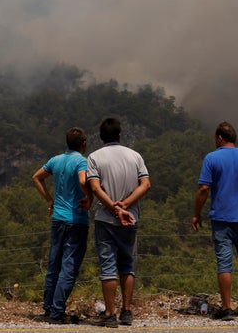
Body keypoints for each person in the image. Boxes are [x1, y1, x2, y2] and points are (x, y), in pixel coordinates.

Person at [192, 121, 238, 320]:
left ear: (219, 138)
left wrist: (196, 214)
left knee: (224, 264)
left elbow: (203, 189)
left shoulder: (211, 158)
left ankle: (227, 308)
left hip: (221, 218)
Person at [86, 117, 150, 328]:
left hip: (106, 219)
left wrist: (114, 208)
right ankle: (127, 311)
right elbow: (145, 184)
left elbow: (95, 188)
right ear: (120, 136)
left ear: (101, 137)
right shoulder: (135, 156)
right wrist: (126, 205)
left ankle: (110, 313)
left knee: (107, 266)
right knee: (127, 264)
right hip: (130, 218)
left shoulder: (95, 157)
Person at [33, 127, 92, 324]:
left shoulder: (55, 160)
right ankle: (57, 312)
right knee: (69, 266)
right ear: (83, 144)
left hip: (58, 218)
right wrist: (89, 197)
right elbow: (83, 180)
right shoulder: (81, 161)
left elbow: (36, 177)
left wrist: (49, 200)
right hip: (76, 220)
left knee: (54, 264)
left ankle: (49, 308)